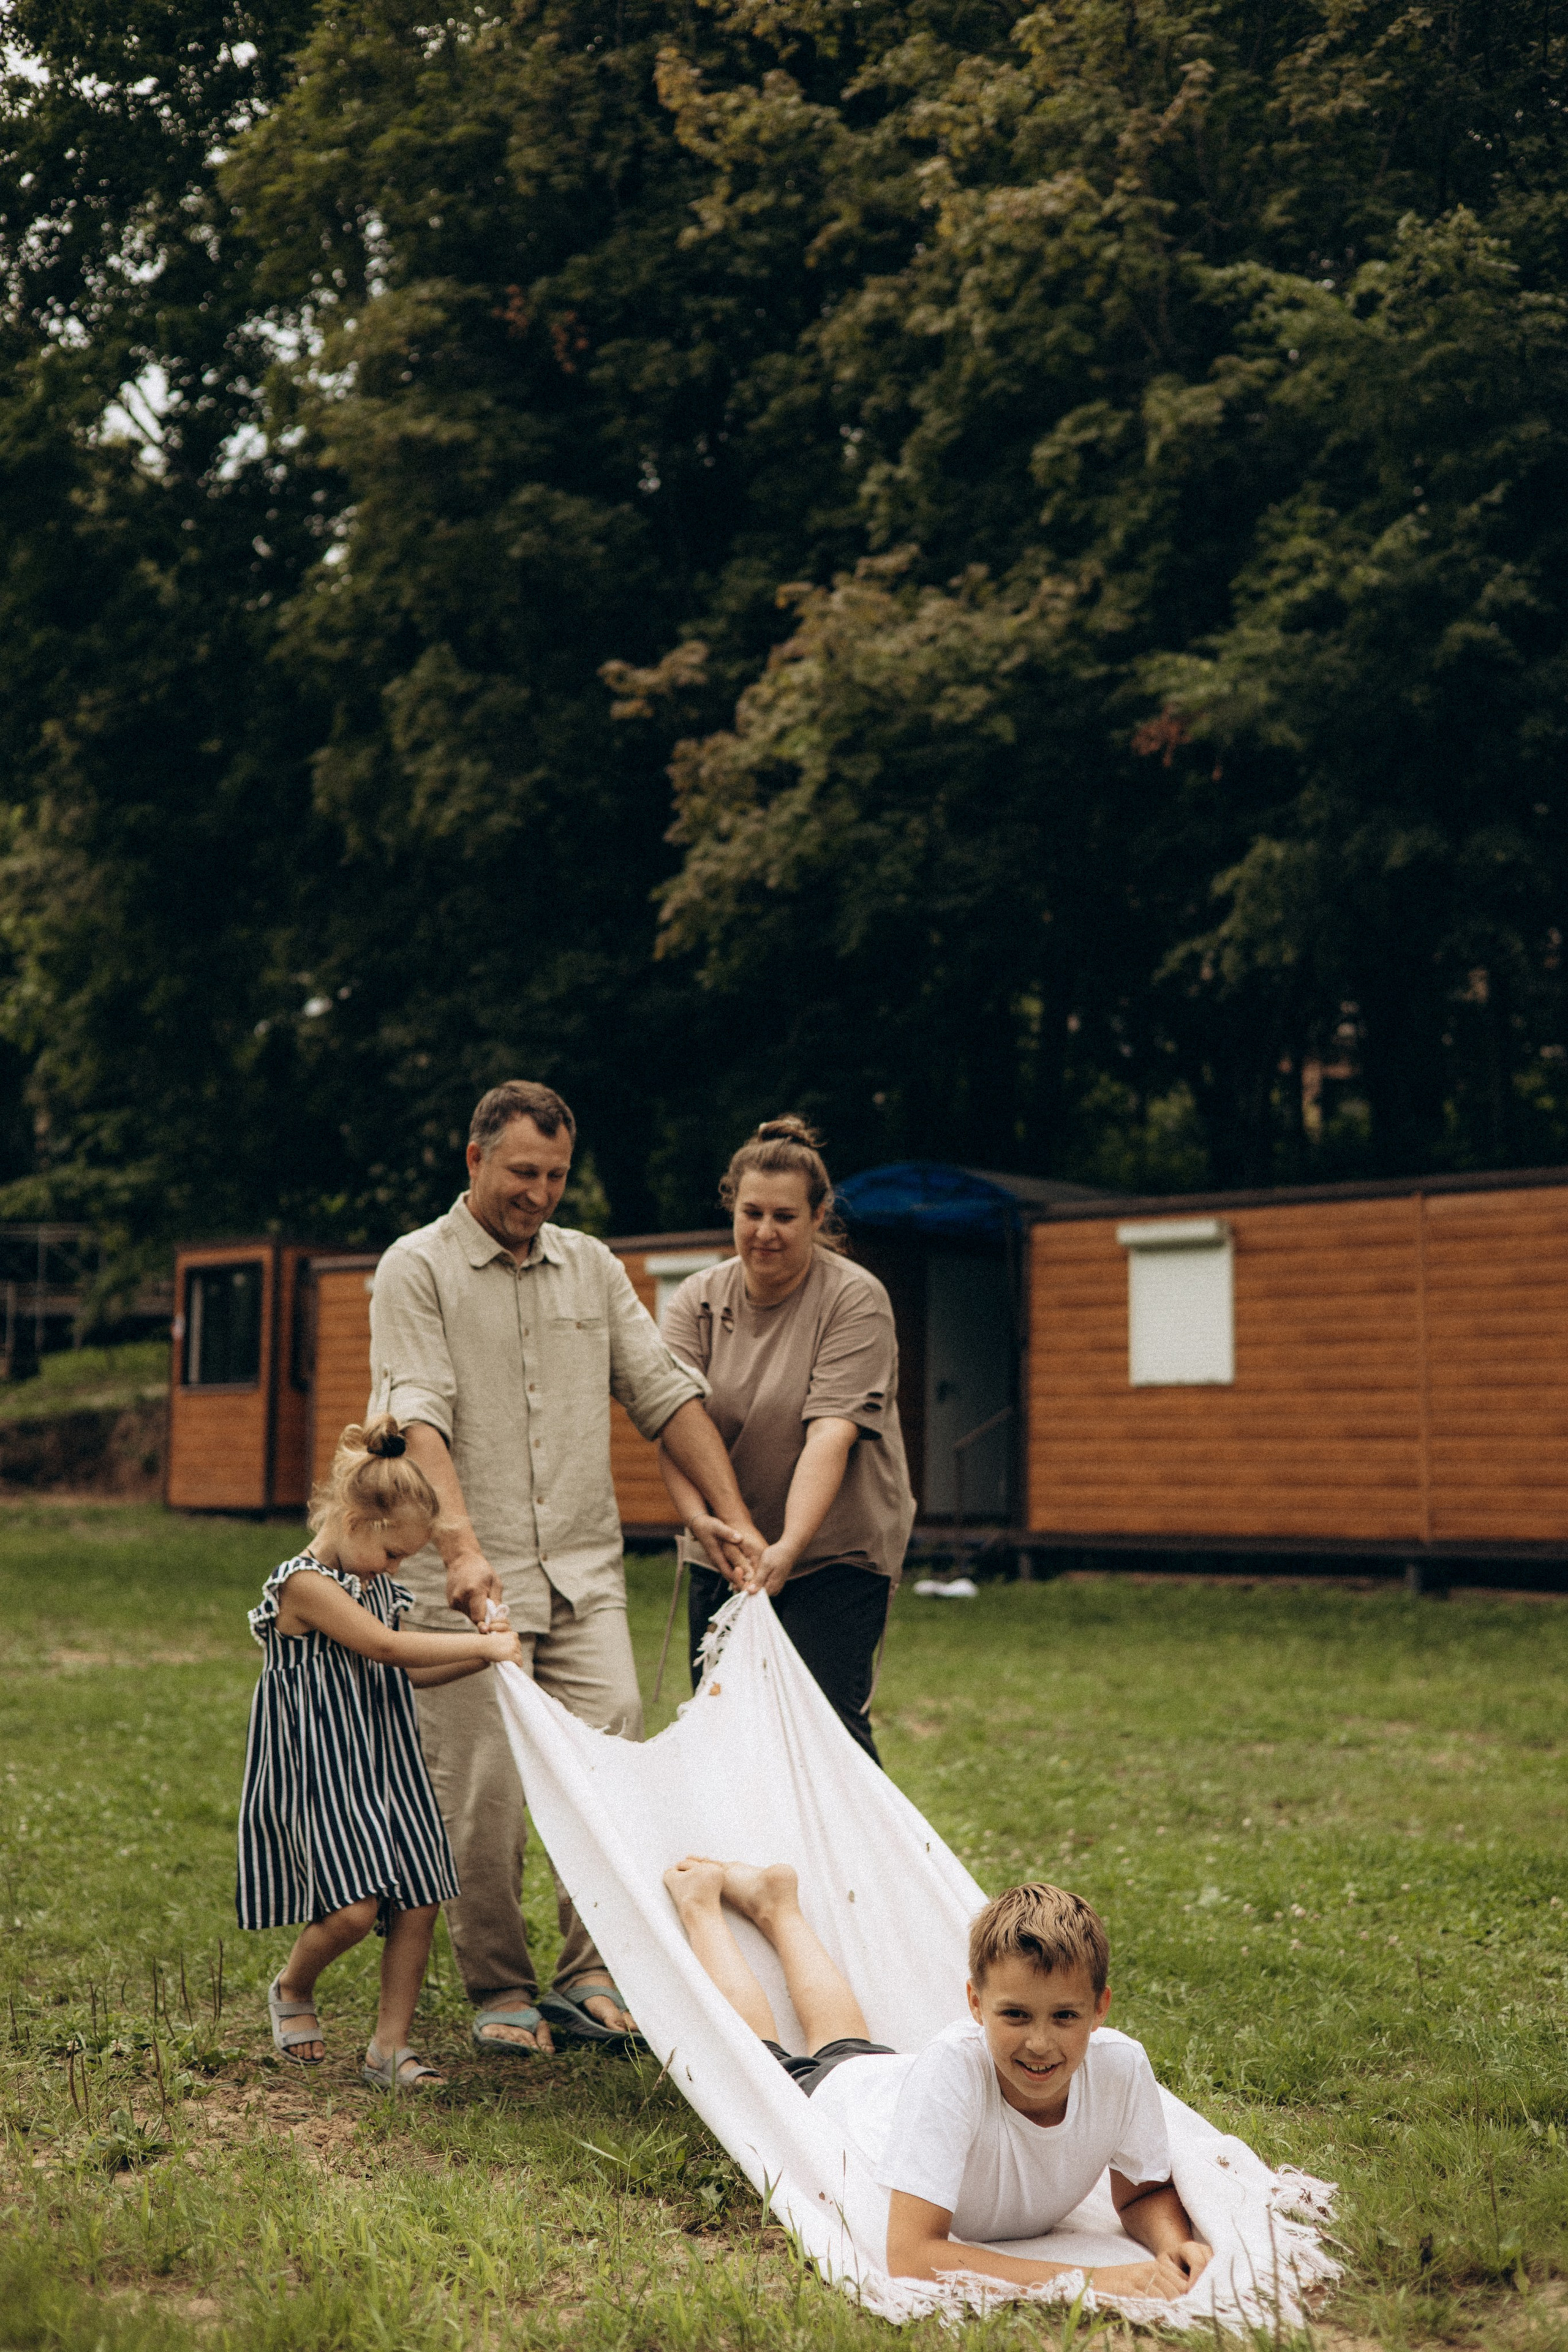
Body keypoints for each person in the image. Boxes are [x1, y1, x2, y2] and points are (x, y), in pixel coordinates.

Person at [369, 1079, 765, 2057]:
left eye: (554, 1176)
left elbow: (666, 1396)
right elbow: (416, 1412)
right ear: (475, 1162)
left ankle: (591, 1972)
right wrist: (459, 1543)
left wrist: (735, 1519)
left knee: (615, 1761)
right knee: (486, 1790)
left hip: (583, 1571)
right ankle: (500, 1988)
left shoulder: (592, 1268)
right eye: (521, 1173)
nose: (538, 1193)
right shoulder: (413, 1269)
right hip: (468, 1577)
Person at [662, 1861, 1213, 2300]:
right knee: (762, 2055)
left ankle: (777, 1905)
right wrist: (1094, 2281)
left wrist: (1174, 2246)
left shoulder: (1121, 2066)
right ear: (975, 2003)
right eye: (1015, 2015)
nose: (1041, 2043)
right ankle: (701, 1904)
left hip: (885, 2081)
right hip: (836, 2108)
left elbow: (1143, 2194)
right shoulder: (954, 2069)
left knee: (845, 2046)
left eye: (1065, 2017)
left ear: (1100, 2009)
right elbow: (914, 2257)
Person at [236, 1415, 527, 2090]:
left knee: (419, 1898)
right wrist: (481, 1644)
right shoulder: (303, 1586)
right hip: (328, 1767)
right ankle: (292, 1984)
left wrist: (486, 1664)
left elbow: (407, 1672)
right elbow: (386, 1648)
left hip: (388, 1761)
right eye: (396, 1554)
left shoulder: (376, 1587)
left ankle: (388, 2049)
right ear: (354, 1519)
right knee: (353, 1910)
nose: (399, 1568)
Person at [659, 1117, 915, 1762]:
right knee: (723, 1735)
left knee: (822, 1737)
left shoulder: (855, 1300)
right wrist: (701, 1522)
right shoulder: (696, 1299)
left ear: (818, 1215)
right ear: (732, 1208)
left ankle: (861, 1865)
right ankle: (750, 1869)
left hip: (833, 1552)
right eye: (751, 1213)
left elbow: (831, 1433)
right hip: (724, 1547)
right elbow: (672, 1423)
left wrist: (789, 1547)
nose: (764, 1232)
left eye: (784, 1216)